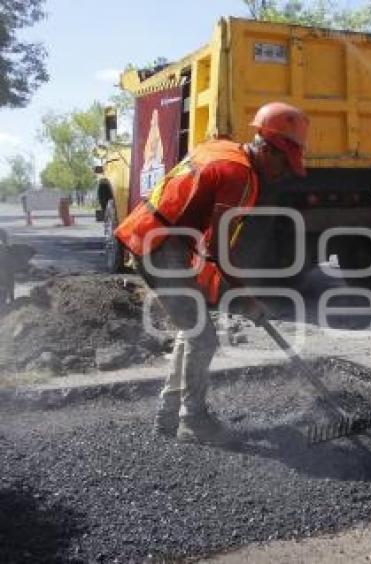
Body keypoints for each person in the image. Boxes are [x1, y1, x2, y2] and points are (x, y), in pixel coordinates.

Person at [115, 102, 309, 444]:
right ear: (269, 149)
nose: (283, 173)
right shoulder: (241, 176)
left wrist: (225, 291)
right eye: (284, 163)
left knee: (191, 330)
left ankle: (169, 413)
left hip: (155, 238)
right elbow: (221, 250)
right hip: (162, 245)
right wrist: (247, 300)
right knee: (202, 336)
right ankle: (194, 422)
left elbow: (210, 247)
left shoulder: (225, 150)